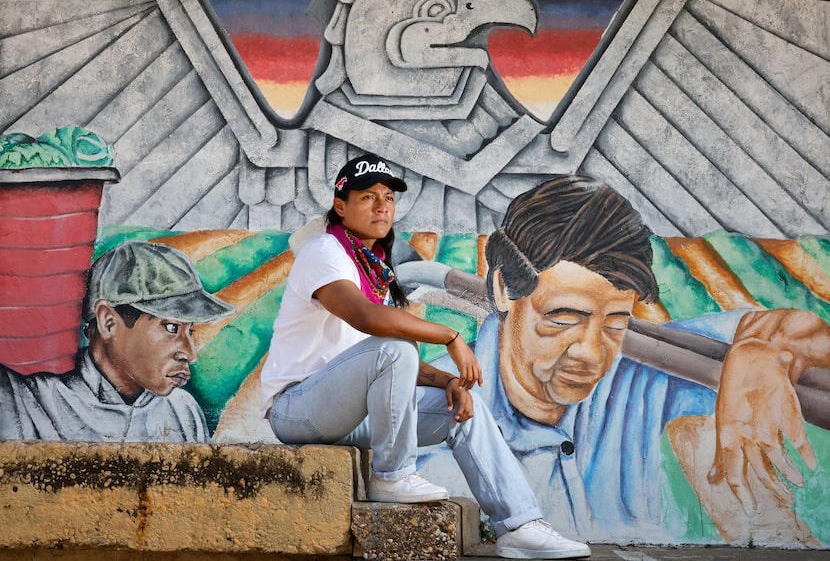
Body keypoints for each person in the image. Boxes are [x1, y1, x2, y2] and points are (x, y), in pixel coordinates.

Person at [416, 175, 828, 544]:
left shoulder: (649, 369)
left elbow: (803, 332)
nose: (593, 354)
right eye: (563, 319)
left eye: (616, 324)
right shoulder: (435, 419)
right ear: (505, 290)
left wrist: (763, 353)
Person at [260, 153, 592, 559]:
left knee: (464, 409)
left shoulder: (373, 270)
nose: (382, 206)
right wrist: (451, 337)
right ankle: (393, 475)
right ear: (341, 207)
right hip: (298, 409)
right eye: (367, 197)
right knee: (397, 345)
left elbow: (386, 369)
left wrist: (447, 381)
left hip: (350, 411)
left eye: (388, 197)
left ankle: (519, 526)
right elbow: (368, 321)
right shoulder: (324, 252)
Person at [0, 241, 235, 442]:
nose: (190, 353)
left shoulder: (183, 412)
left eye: (190, 331)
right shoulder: (29, 402)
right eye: (171, 327)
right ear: (108, 322)